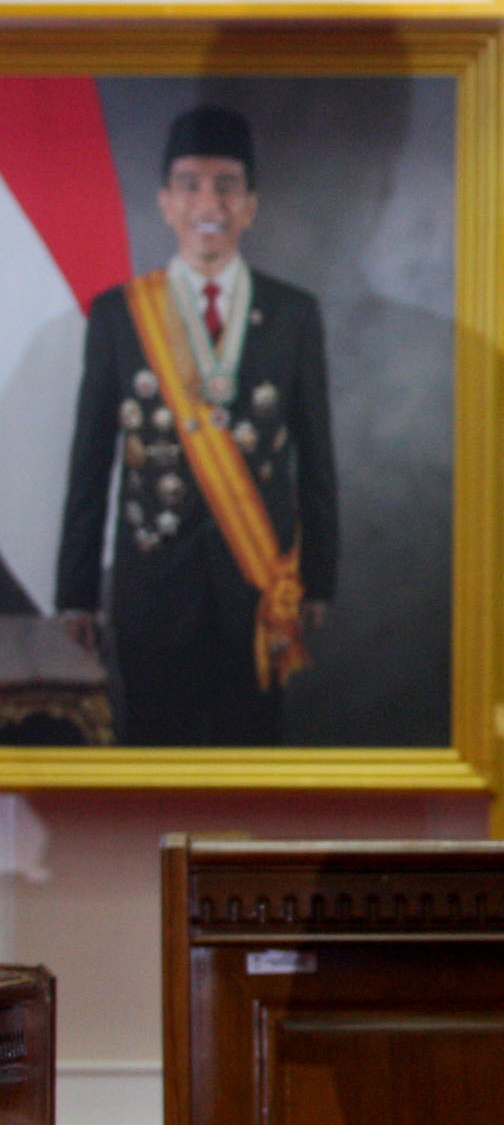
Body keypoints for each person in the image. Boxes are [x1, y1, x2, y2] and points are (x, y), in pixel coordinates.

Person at [55, 105, 336, 746]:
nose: (208, 201)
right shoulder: (121, 314)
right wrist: (75, 593)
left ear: (250, 205)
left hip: (259, 583)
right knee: (153, 755)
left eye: (226, 185)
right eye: (189, 183)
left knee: (253, 756)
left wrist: (319, 578)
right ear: (164, 202)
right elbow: (90, 459)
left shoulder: (293, 313)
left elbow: (317, 458)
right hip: (152, 584)